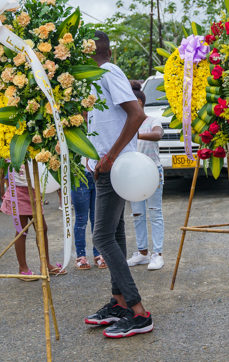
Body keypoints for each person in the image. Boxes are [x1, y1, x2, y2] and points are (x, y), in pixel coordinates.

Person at [83, 31, 153, 338]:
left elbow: (137, 115)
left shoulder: (108, 72)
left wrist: (110, 157)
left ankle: (139, 313)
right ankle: (119, 302)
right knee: (113, 233)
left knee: (101, 236)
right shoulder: (95, 77)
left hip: (114, 167)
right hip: (105, 167)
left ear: (87, 52)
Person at [0, 165, 66, 279]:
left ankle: (45, 264)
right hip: (18, 191)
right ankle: (22, 268)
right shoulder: (9, 148)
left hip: (34, 188)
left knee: (42, 228)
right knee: (22, 230)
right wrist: (2, 189)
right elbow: (1, 168)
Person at [126, 88, 165, 271]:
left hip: (152, 172)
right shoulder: (126, 123)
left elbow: (158, 135)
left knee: (155, 212)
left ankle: (157, 254)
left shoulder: (152, 121)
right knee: (137, 215)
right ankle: (142, 253)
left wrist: (135, 134)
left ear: (139, 103)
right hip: (134, 175)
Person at [71, 162, 101, 270]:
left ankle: (98, 254)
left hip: (98, 172)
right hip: (79, 173)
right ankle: (80, 255)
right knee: (81, 219)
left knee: (97, 218)